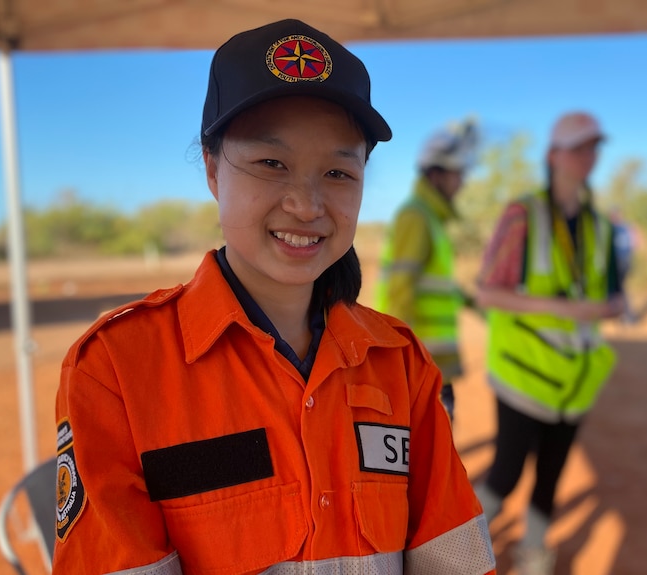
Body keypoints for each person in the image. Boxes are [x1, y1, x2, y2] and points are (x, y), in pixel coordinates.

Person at [52, 19, 496, 575]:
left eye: (337, 171)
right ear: (213, 170)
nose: (307, 205)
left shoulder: (401, 362)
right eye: (271, 164)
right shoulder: (116, 369)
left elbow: (451, 556)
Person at [473, 111, 625, 575]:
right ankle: (458, 547)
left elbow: (614, 298)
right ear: (553, 155)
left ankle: (534, 554)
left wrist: (612, 307)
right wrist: (566, 309)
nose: (588, 156)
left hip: (573, 383)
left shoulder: (601, 227)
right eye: (578, 147)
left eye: (593, 147)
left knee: (551, 477)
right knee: (505, 473)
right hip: (524, 373)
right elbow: (486, 291)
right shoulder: (523, 214)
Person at [373, 118, 480, 423]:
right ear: (436, 175)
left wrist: (479, 304)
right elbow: (400, 288)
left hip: (432, 365)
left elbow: (437, 285)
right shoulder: (416, 216)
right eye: (457, 173)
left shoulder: (431, 219)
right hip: (418, 366)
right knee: (425, 460)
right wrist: (397, 361)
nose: (462, 181)